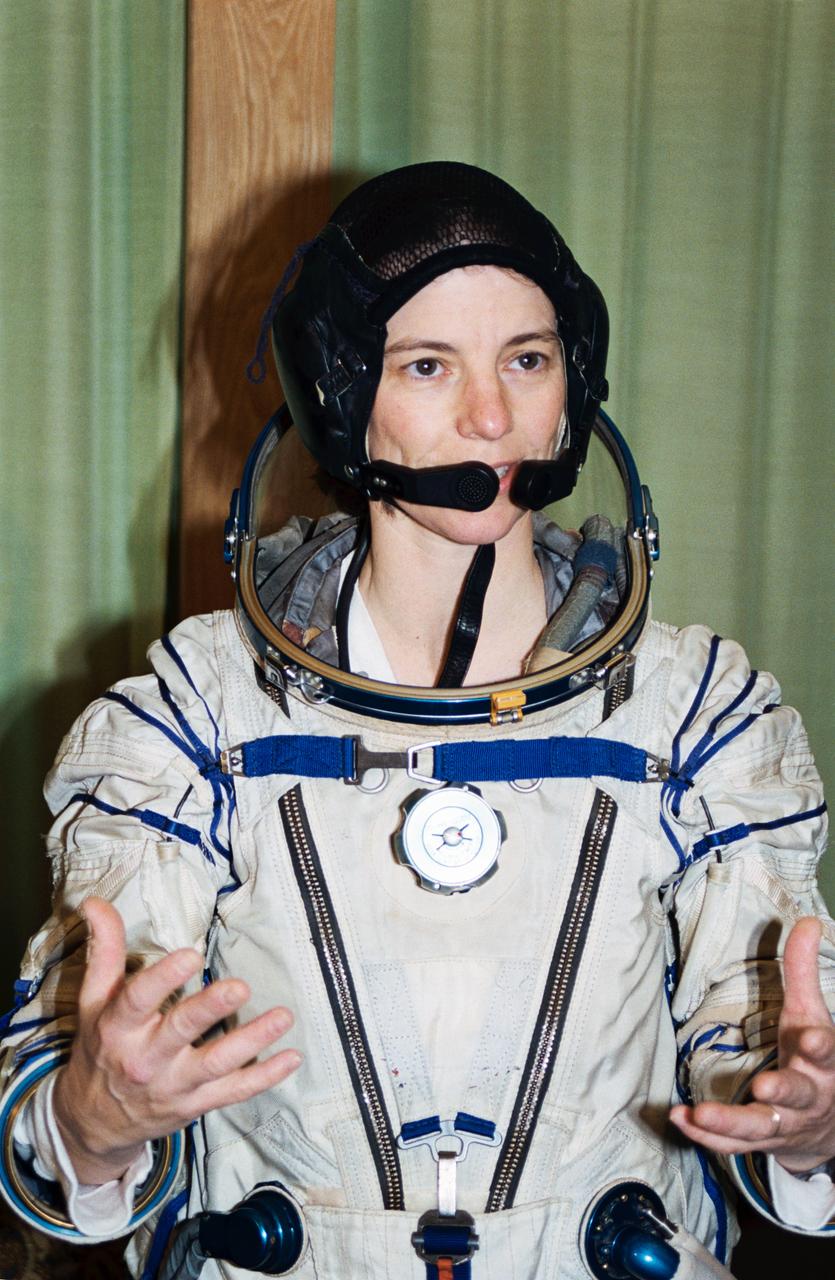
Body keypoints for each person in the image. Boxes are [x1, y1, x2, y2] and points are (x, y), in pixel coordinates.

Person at [0, 162, 833, 1279]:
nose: (492, 416)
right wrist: (96, 1120)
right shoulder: (195, 719)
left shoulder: (696, 717)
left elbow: (759, 1034)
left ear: (573, 385)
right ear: (344, 394)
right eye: (428, 364)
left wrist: (803, 1122)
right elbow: (85, 1050)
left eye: (526, 360)